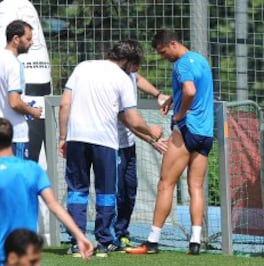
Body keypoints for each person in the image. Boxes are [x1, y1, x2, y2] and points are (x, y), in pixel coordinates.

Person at [59, 39, 164, 257]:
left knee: (77, 190)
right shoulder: (122, 78)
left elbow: (65, 103)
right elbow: (132, 118)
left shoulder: (83, 67)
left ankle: (77, 241)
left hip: (76, 137)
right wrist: (151, 132)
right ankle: (105, 240)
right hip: (104, 141)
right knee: (106, 192)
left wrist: (63, 136)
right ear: (127, 60)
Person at [0, 117, 94, 265]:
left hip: (2, 254)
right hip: (28, 253)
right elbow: (54, 206)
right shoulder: (33, 169)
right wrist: (79, 236)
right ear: (11, 139)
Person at [135, 29, 214, 255]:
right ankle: (195, 241)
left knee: (165, 183)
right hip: (206, 132)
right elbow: (193, 91)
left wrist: (179, 115)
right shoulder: (200, 60)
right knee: (195, 187)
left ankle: (152, 241)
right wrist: (173, 98)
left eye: (163, 52)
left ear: (172, 43)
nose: (163, 57)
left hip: (187, 129)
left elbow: (190, 90)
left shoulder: (181, 64)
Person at [115, 65, 171, 248]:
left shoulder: (131, 74)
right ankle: (108, 234)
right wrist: (152, 139)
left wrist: (158, 94)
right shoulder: (114, 81)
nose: (137, 68)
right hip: (113, 144)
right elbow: (127, 120)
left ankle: (122, 231)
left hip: (129, 145)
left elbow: (138, 79)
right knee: (116, 191)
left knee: (130, 190)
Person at [0, 20, 42, 161]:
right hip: (14, 135)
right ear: (16, 39)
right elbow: (14, 103)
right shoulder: (14, 64)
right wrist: (32, 111)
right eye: (28, 39)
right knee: (16, 180)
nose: (31, 43)